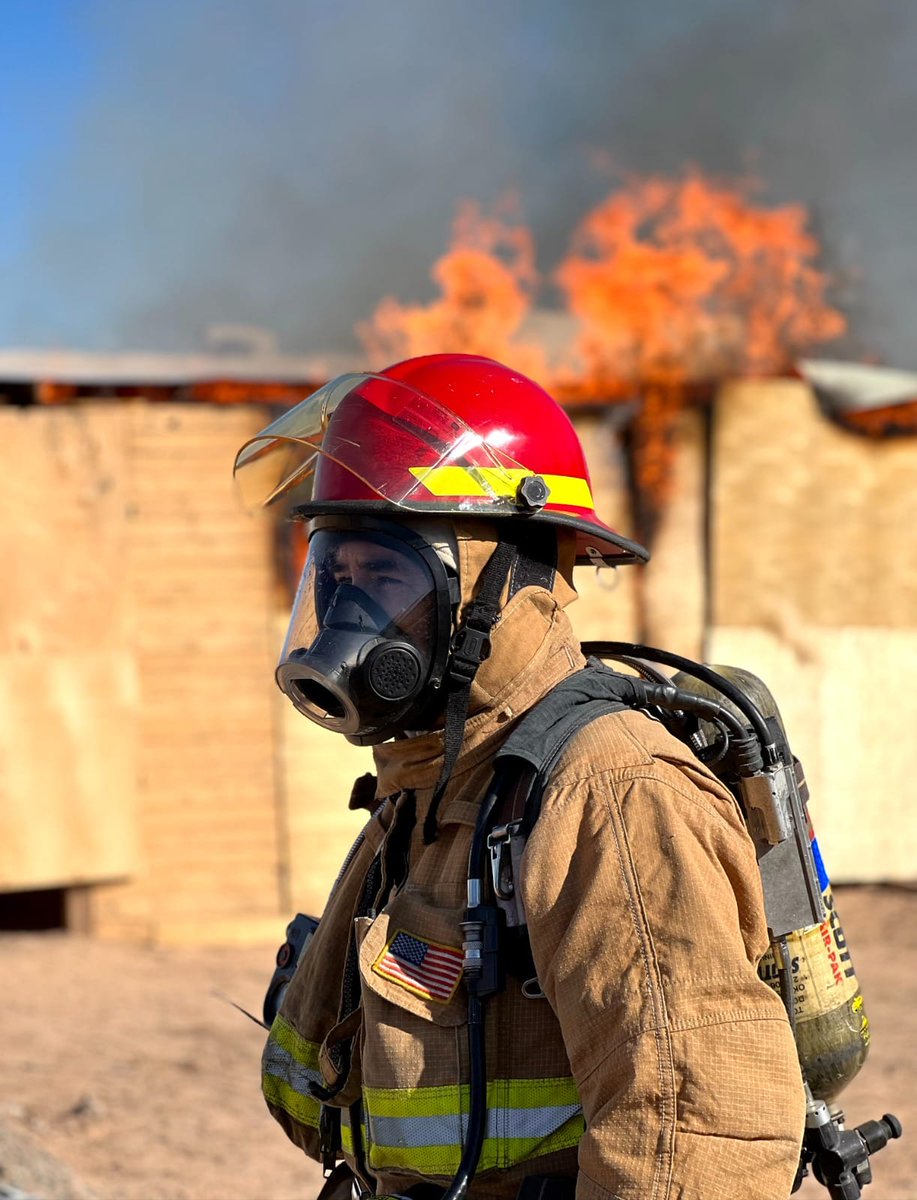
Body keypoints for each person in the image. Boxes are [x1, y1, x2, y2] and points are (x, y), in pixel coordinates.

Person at [234, 354, 806, 1199]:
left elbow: (690, 1140)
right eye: (337, 576)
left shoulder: (611, 791)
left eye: (386, 576)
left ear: (505, 585)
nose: (351, 617)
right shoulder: (433, 782)